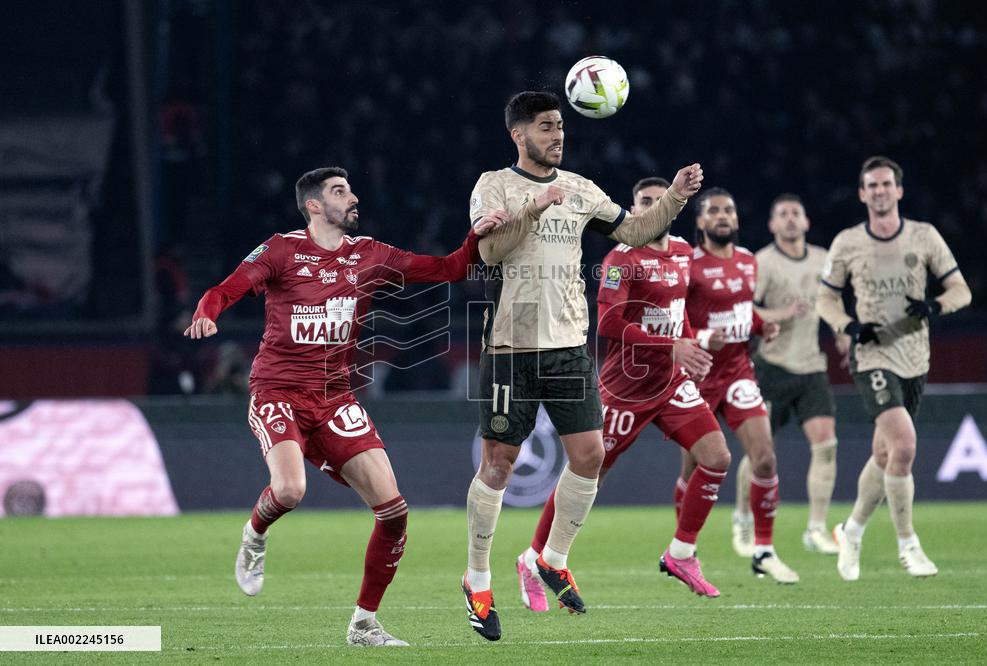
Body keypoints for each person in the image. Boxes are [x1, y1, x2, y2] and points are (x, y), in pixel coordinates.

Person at [185, 166, 503, 647]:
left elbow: (449, 269)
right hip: (279, 392)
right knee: (290, 490)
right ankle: (254, 535)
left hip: (336, 398)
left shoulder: (368, 254)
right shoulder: (281, 249)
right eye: (339, 192)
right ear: (314, 205)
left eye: (350, 190)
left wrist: (474, 237)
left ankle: (364, 624)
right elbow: (225, 288)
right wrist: (206, 314)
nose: (352, 198)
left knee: (394, 512)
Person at [464, 91, 704, 641]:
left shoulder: (581, 189)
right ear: (518, 135)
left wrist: (674, 197)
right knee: (499, 464)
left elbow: (635, 232)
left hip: (568, 345)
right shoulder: (492, 185)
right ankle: (477, 577)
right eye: (546, 127)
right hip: (510, 345)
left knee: (590, 455)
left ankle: (552, 557)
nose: (558, 135)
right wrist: (530, 208)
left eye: (561, 126)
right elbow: (488, 252)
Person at [517, 177, 728, 609]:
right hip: (624, 390)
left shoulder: (686, 254)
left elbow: (677, 313)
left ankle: (682, 553)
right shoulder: (621, 258)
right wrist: (674, 346)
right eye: (643, 204)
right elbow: (610, 324)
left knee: (717, 457)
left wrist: (687, 351)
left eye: (658, 202)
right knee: (586, 476)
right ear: (632, 212)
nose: (651, 210)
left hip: (671, 384)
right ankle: (534, 559)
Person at [816, 156, 971, 581]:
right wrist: (848, 325)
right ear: (862, 194)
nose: (880, 191)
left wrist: (934, 306)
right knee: (904, 445)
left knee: (884, 454)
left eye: (887, 184)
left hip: (915, 356)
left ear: (899, 191)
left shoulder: (924, 236)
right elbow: (825, 298)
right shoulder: (847, 242)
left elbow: (961, 290)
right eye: (872, 185)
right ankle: (909, 545)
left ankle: (852, 532)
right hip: (872, 356)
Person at [680, 187, 800, 583]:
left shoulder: (749, 261)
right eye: (713, 211)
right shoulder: (689, 264)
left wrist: (764, 325)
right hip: (695, 376)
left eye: (728, 210)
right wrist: (699, 338)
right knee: (695, 470)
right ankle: (685, 550)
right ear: (699, 221)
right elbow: (671, 319)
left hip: (737, 372)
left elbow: (743, 309)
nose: (722, 216)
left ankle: (763, 551)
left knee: (764, 457)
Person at [752, 194, 844, 555]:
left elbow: (832, 302)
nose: (790, 219)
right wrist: (783, 313)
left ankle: (816, 528)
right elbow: (750, 310)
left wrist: (840, 334)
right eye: (782, 214)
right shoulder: (763, 262)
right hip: (772, 367)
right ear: (773, 225)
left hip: (811, 367)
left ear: (806, 222)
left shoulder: (824, 260)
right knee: (760, 454)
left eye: (796, 214)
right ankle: (744, 518)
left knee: (826, 446)